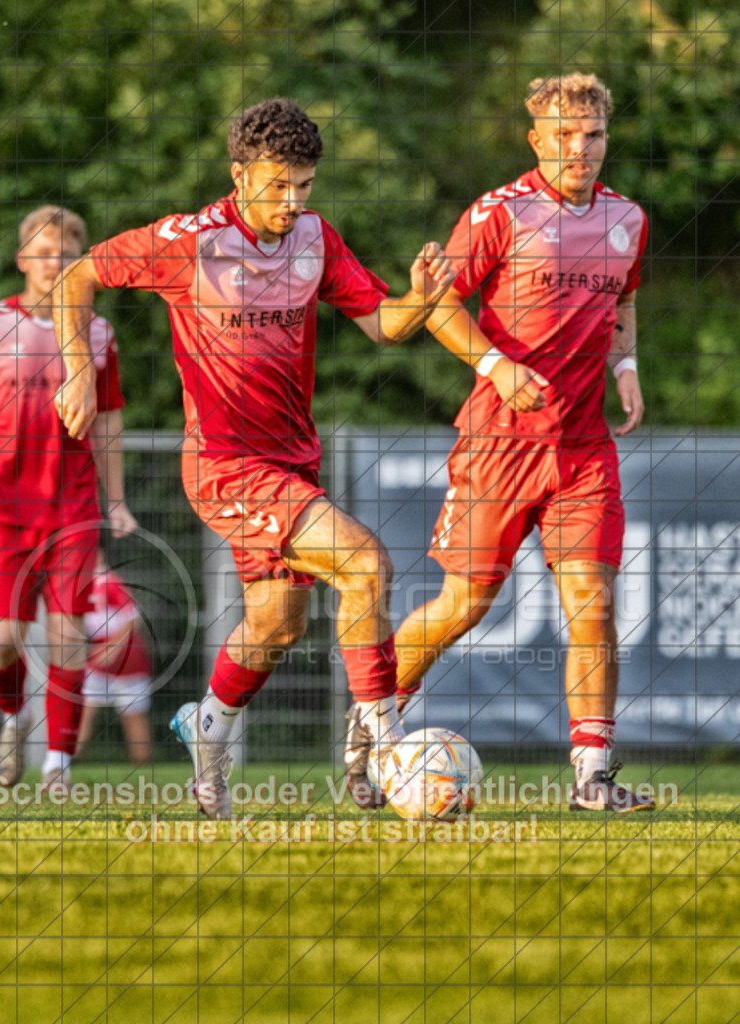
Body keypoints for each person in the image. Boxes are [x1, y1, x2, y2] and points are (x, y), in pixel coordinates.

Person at [52, 98, 453, 818]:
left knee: (279, 623)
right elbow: (75, 277)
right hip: (225, 464)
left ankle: (208, 727)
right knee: (366, 564)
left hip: (292, 461)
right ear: (239, 175)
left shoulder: (316, 240)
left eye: (304, 186)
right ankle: (382, 739)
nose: (292, 202)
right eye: (278, 185)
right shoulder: (190, 241)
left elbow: (381, 326)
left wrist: (421, 302)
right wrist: (78, 367)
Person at [345, 72, 655, 813]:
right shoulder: (499, 214)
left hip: (581, 448)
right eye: (564, 138)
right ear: (535, 140)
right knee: (463, 604)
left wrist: (626, 366)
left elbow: (626, 300)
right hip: (498, 443)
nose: (579, 150)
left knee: (592, 601)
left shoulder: (627, 219)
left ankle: (591, 777)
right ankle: (366, 727)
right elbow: (436, 303)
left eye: (593, 137)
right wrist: (494, 364)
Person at [0, 205, 137, 791]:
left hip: (72, 508)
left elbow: (109, 420)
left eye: (69, 254)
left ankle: (58, 766)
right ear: (24, 259)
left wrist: (116, 499)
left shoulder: (98, 332)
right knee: (0, 643)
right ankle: (13, 716)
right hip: (3, 511)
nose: (57, 262)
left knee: (68, 638)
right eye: (45, 252)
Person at [75, 551, 154, 765]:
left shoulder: (107, 583)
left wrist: (111, 649)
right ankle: (63, 762)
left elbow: (133, 618)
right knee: (89, 710)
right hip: (109, 652)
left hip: (122, 652)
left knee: (93, 711)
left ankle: (62, 761)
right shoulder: (87, 584)